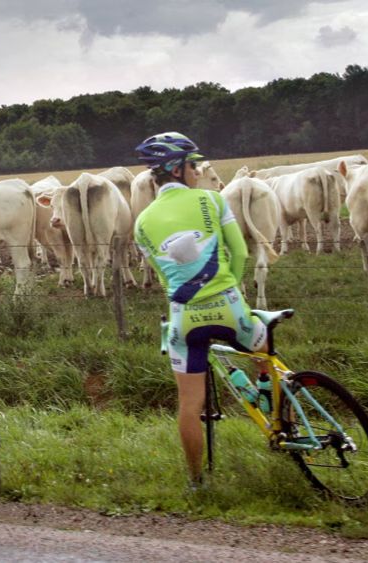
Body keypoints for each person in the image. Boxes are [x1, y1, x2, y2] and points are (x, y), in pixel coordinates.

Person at [133, 132, 268, 487]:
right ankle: (277, 412)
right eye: (193, 165)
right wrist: (232, 290)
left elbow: (165, 276)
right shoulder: (212, 200)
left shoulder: (141, 222)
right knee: (265, 349)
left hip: (184, 320)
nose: (197, 170)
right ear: (177, 169)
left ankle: (196, 481)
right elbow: (239, 253)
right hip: (229, 308)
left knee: (189, 405)